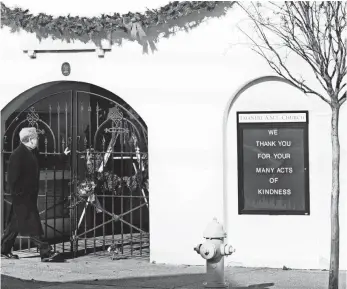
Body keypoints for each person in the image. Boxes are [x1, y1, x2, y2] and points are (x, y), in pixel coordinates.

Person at [1, 127, 70, 262]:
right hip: (22, 197)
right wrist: (20, 195)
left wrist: (63, 156)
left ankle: (4, 250)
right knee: (34, 225)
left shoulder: (32, 152)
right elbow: (12, 179)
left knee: (14, 225)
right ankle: (45, 252)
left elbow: (45, 161)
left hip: (27, 197)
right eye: (36, 138)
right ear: (30, 140)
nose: (38, 140)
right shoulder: (18, 154)